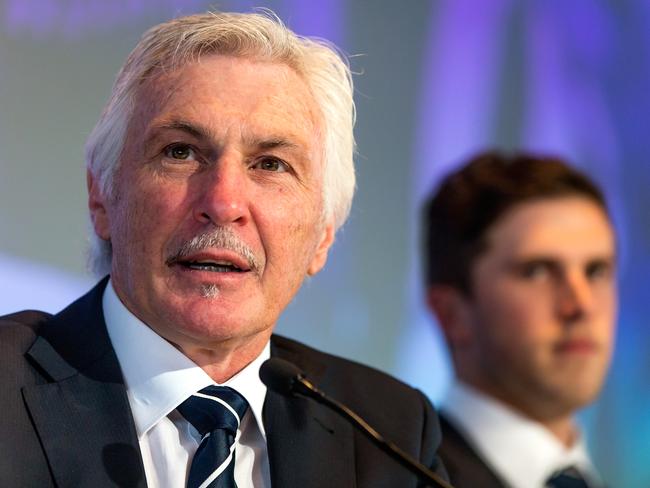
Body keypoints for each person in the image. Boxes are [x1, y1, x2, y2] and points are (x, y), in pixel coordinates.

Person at [0, 11, 447, 488]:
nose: (224, 202)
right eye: (180, 152)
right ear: (101, 198)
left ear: (324, 234)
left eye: (271, 164)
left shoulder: (390, 432)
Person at [422, 152, 617, 488]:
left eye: (596, 271)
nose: (582, 304)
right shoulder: (401, 477)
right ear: (451, 314)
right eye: (537, 271)